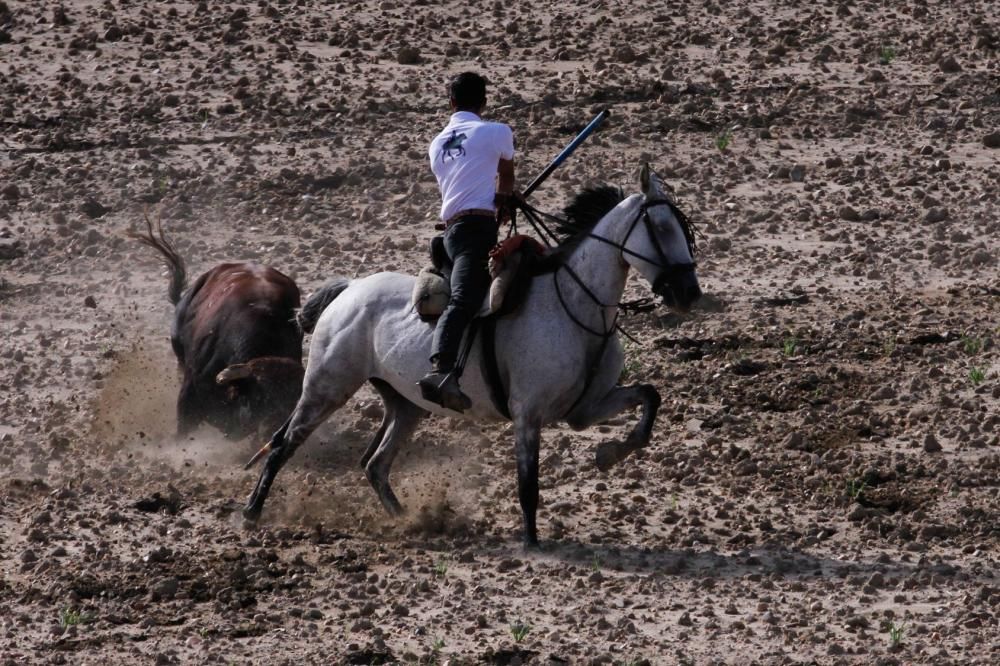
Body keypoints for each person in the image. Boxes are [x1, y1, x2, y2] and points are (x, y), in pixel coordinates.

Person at [419, 71, 516, 412]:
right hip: (475, 231)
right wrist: (504, 201)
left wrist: (498, 203)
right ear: (484, 102)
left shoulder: (437, 143)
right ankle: (441, 371)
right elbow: (506, 174)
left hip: (453, 231)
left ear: (451, 103)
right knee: (463, 298)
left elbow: (462, 182)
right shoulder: (496, 131)